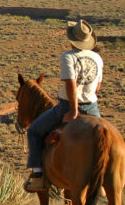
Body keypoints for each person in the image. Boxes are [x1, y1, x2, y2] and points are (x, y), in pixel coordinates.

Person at [24, 19, 103, 192]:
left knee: (34, 131)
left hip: (67, 107)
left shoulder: (68, 57)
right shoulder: (97, 58)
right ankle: (101, 180)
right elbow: (98, 86)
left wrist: (74, 111)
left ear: (72, 39)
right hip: (92, 107)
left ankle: (38, 176)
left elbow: (71, 86)